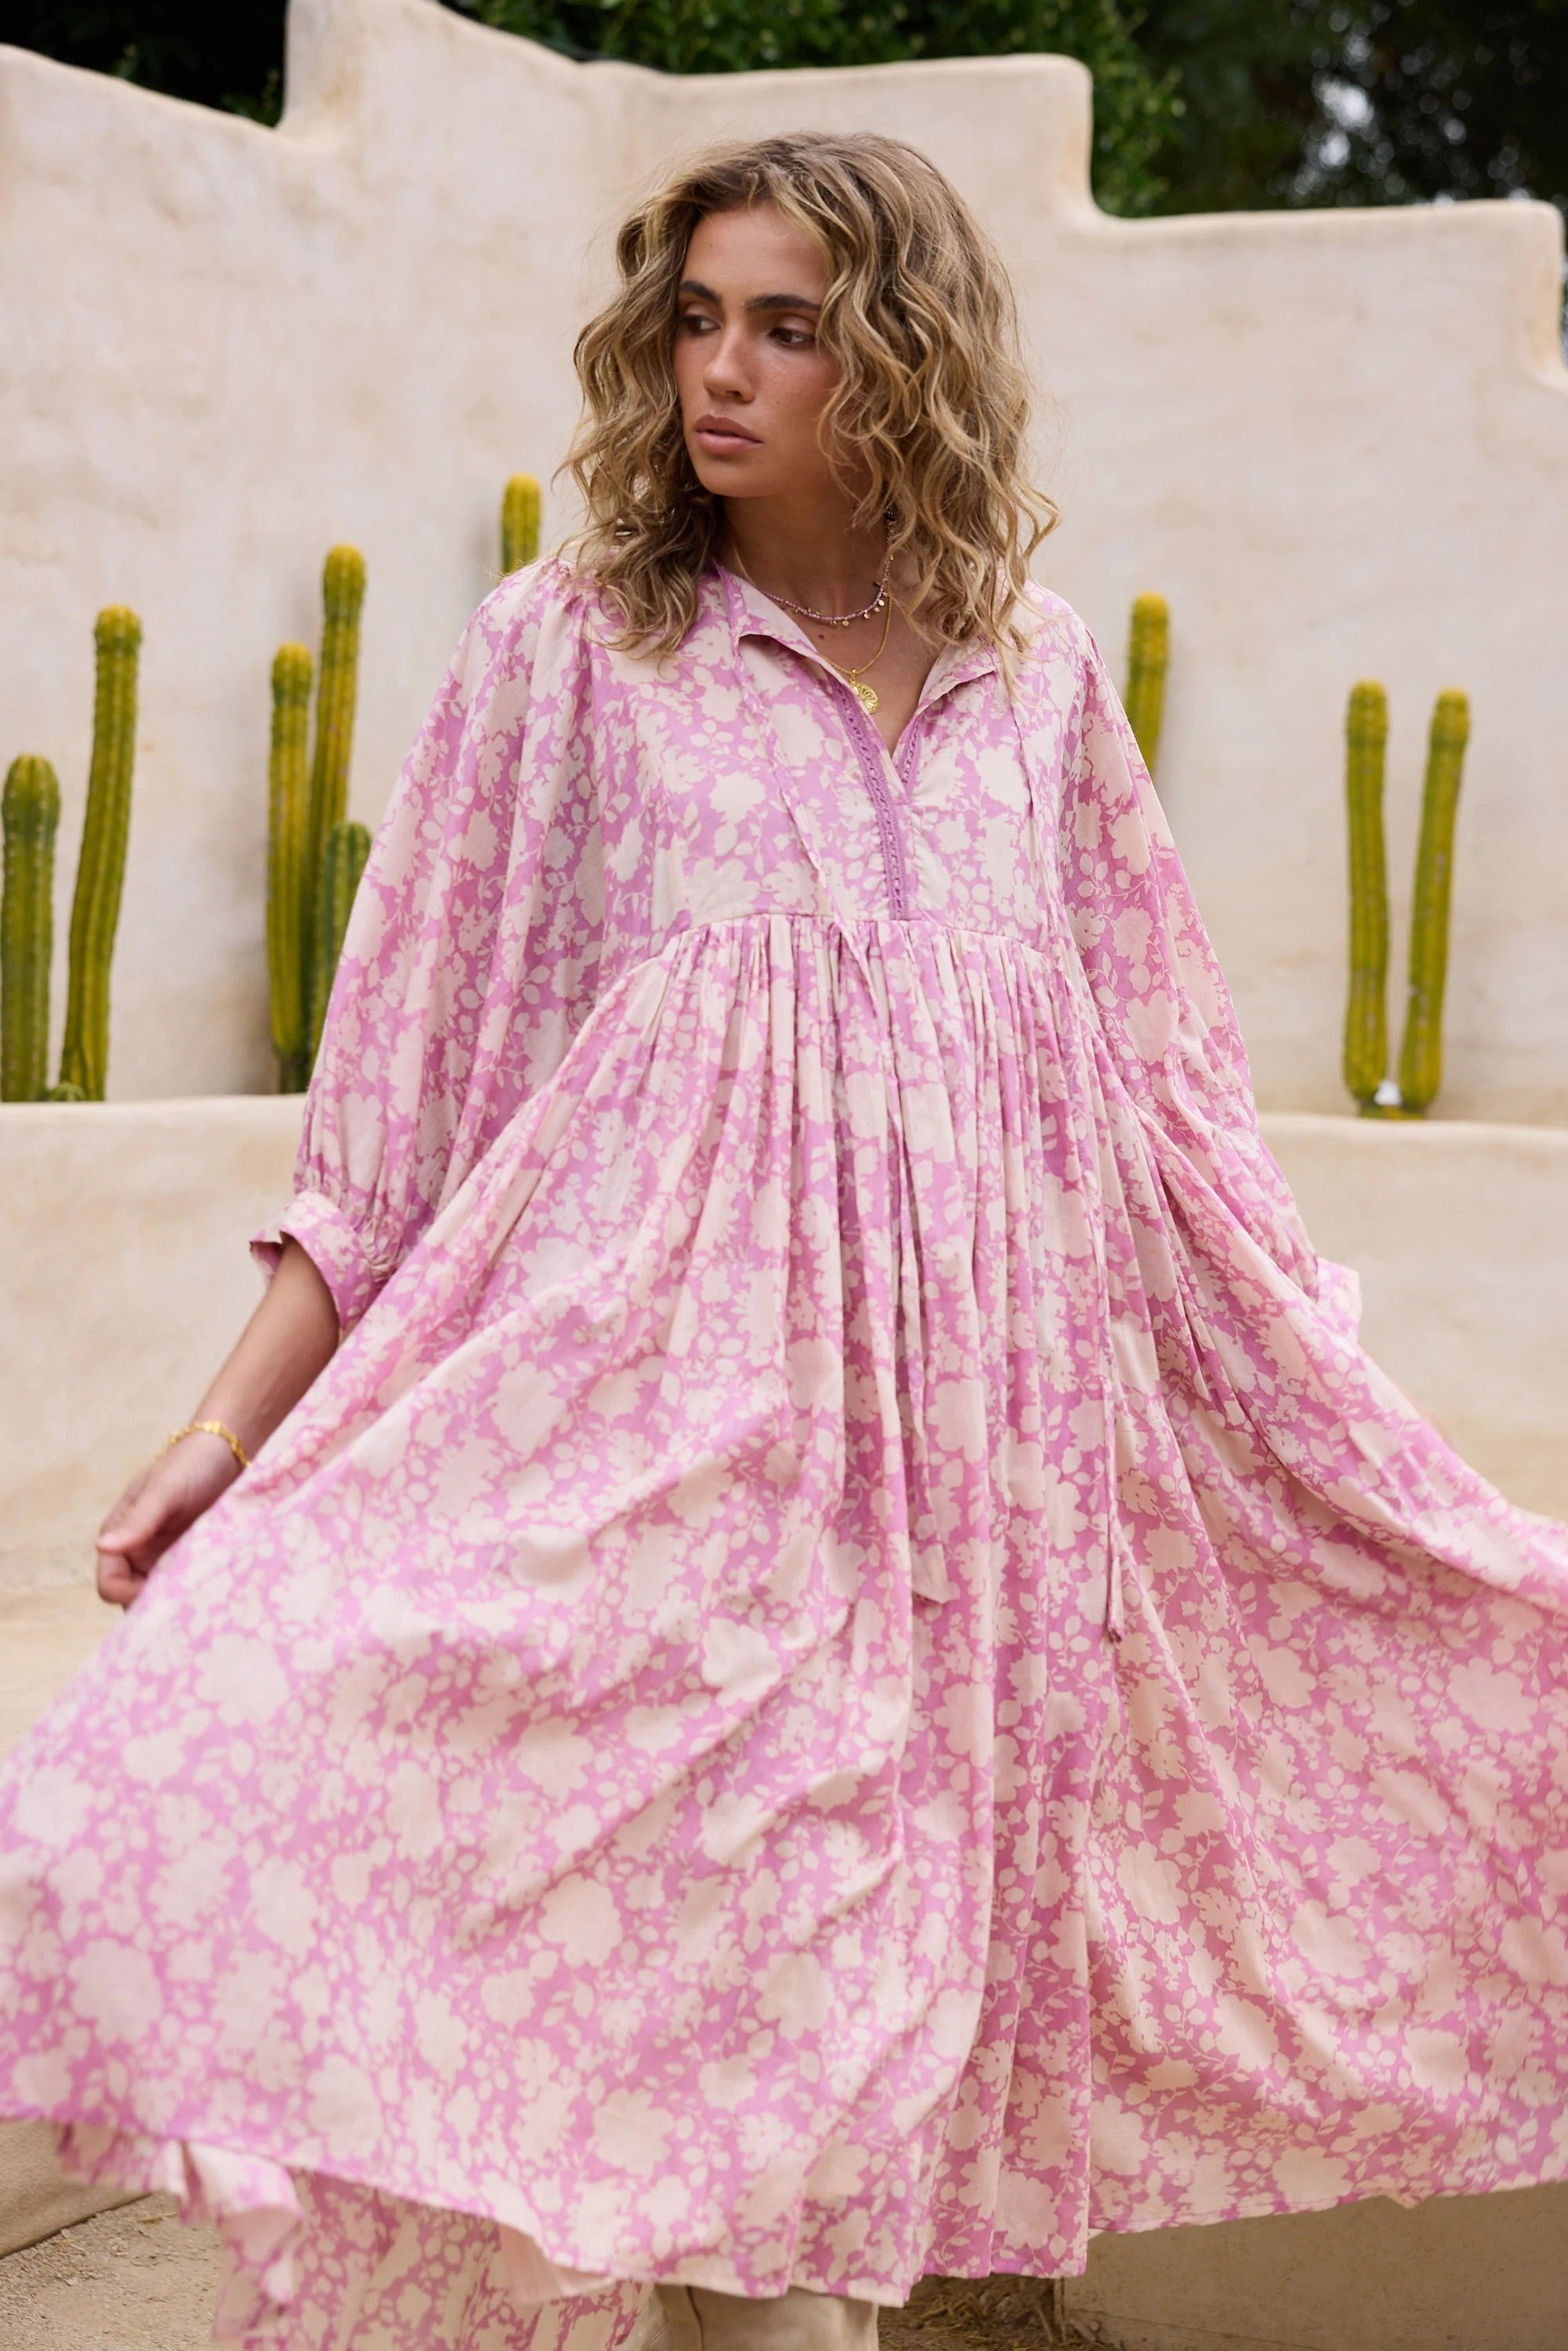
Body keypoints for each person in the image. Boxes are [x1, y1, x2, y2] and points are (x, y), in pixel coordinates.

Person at [2, 129, 1566, 2351]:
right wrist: (223, 1430)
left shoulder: (1037, 681)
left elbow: (1173, 1106)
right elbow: (403, 1098)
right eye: (692, 318)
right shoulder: (576, 652)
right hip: (658, 1454)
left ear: (901, 356)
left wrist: (1330, 1417)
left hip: (967, 1498)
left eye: (786, 327)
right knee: (212, 1824)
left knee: (819, 2095)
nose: (713, 371)